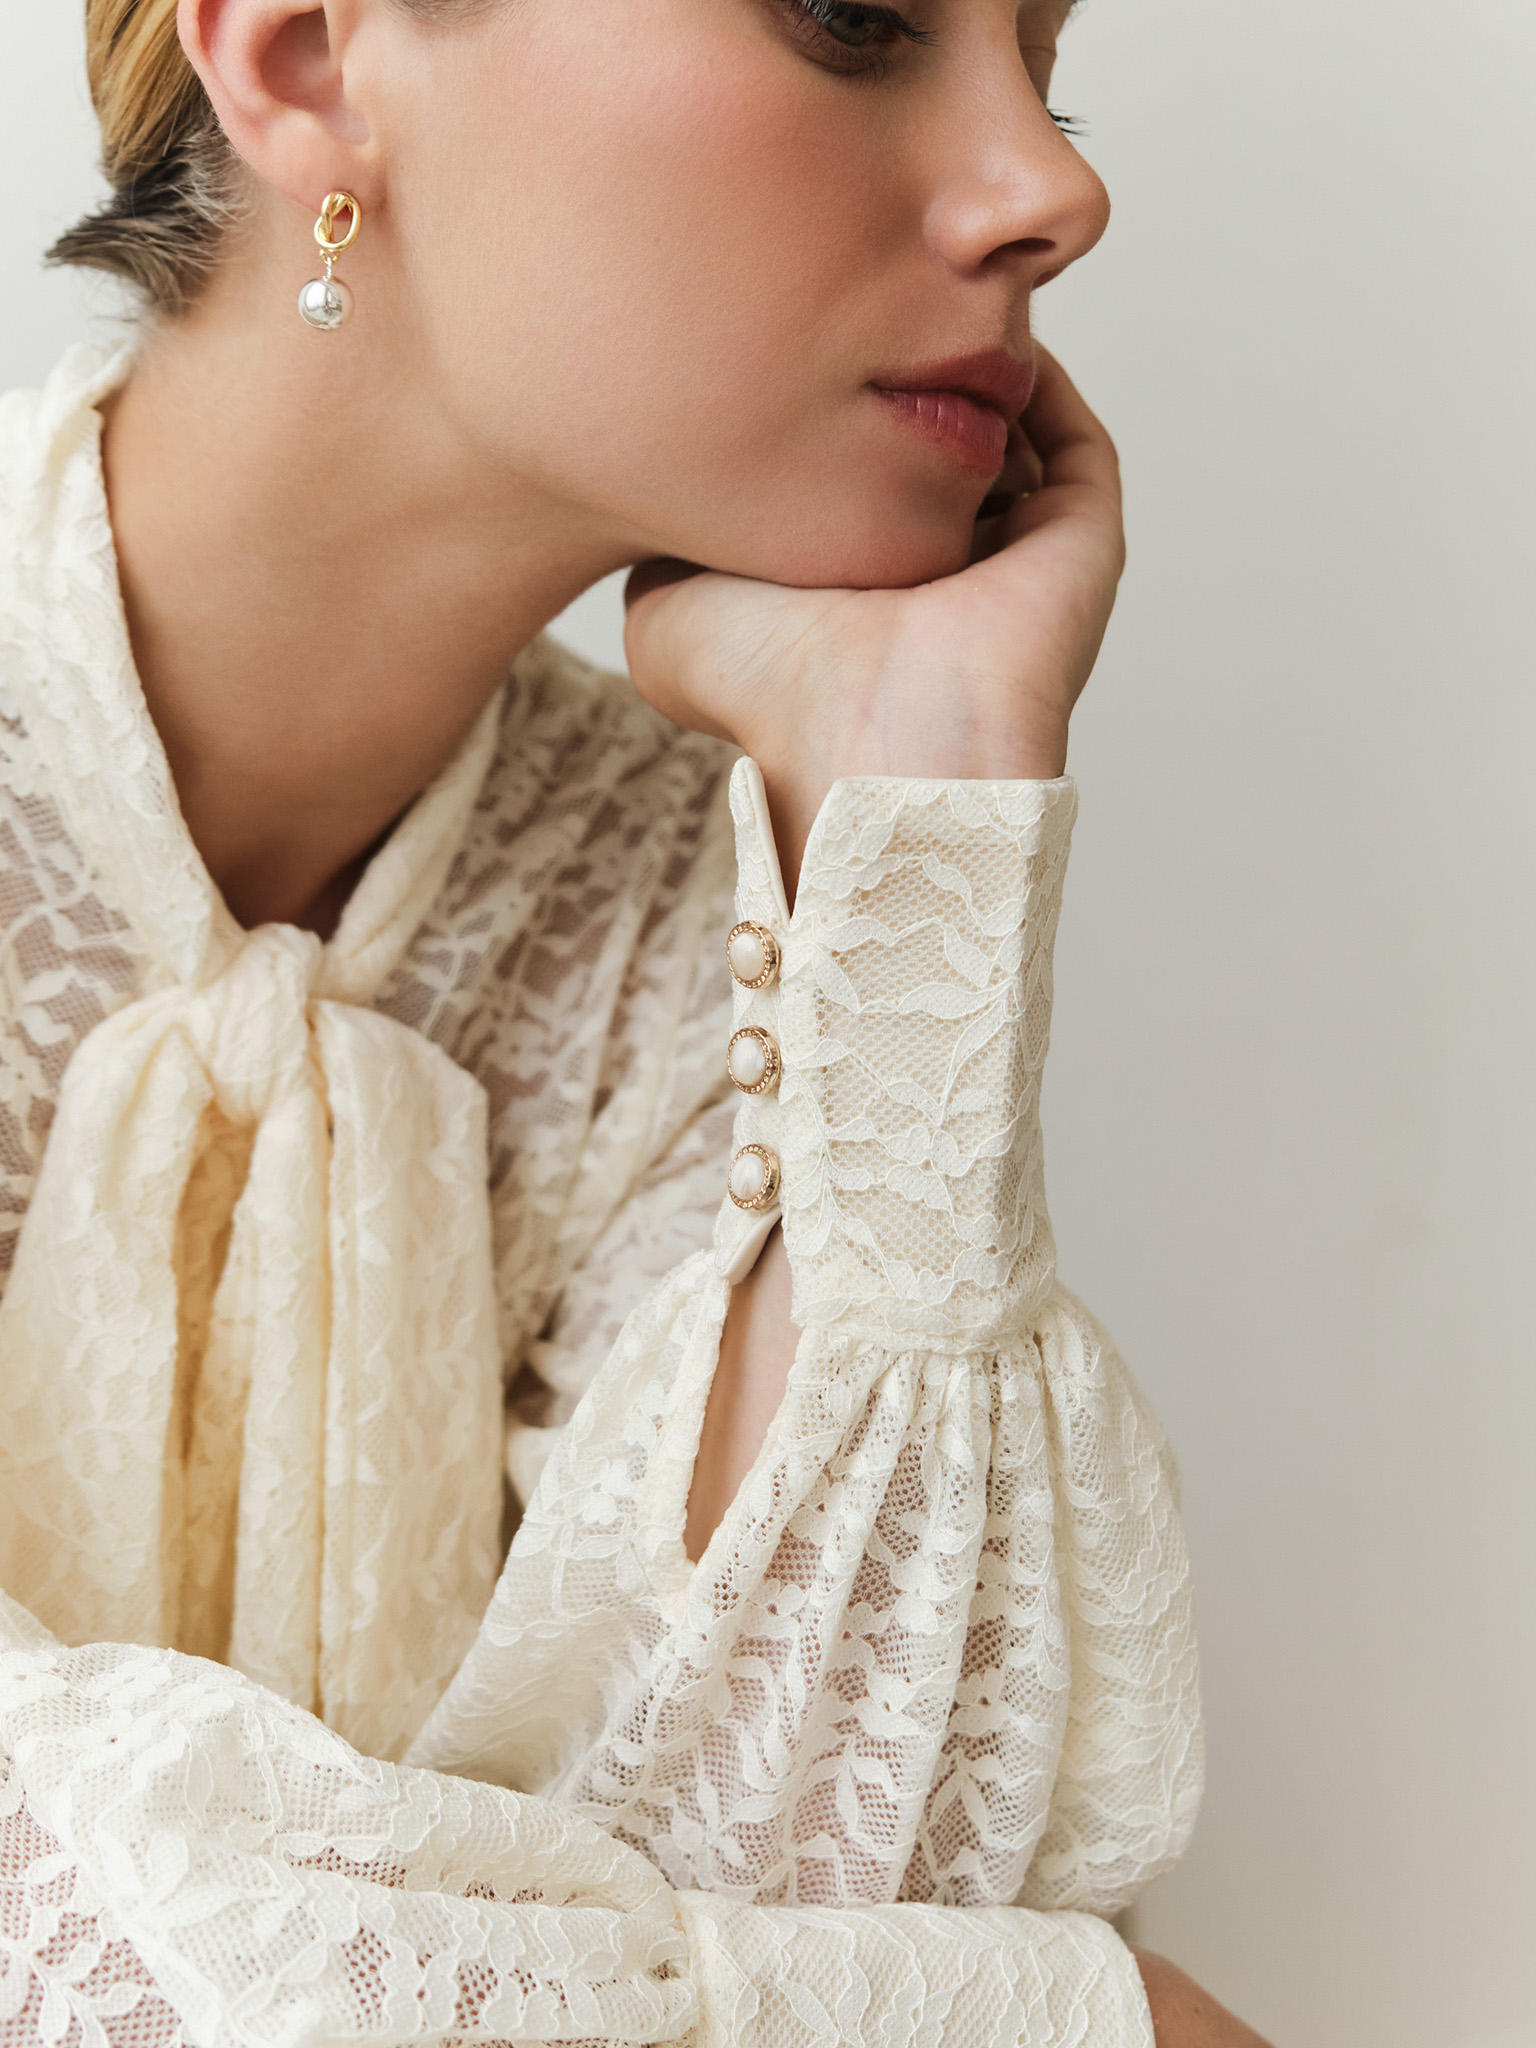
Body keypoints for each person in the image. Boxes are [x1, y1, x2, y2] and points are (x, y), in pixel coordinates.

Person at [0, 2, 1272, 2043]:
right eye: (854, 20)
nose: (1057, 189)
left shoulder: (724, 904)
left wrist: (915, 801)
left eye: (1050, 61)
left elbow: (875, 1879)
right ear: (310, 53)